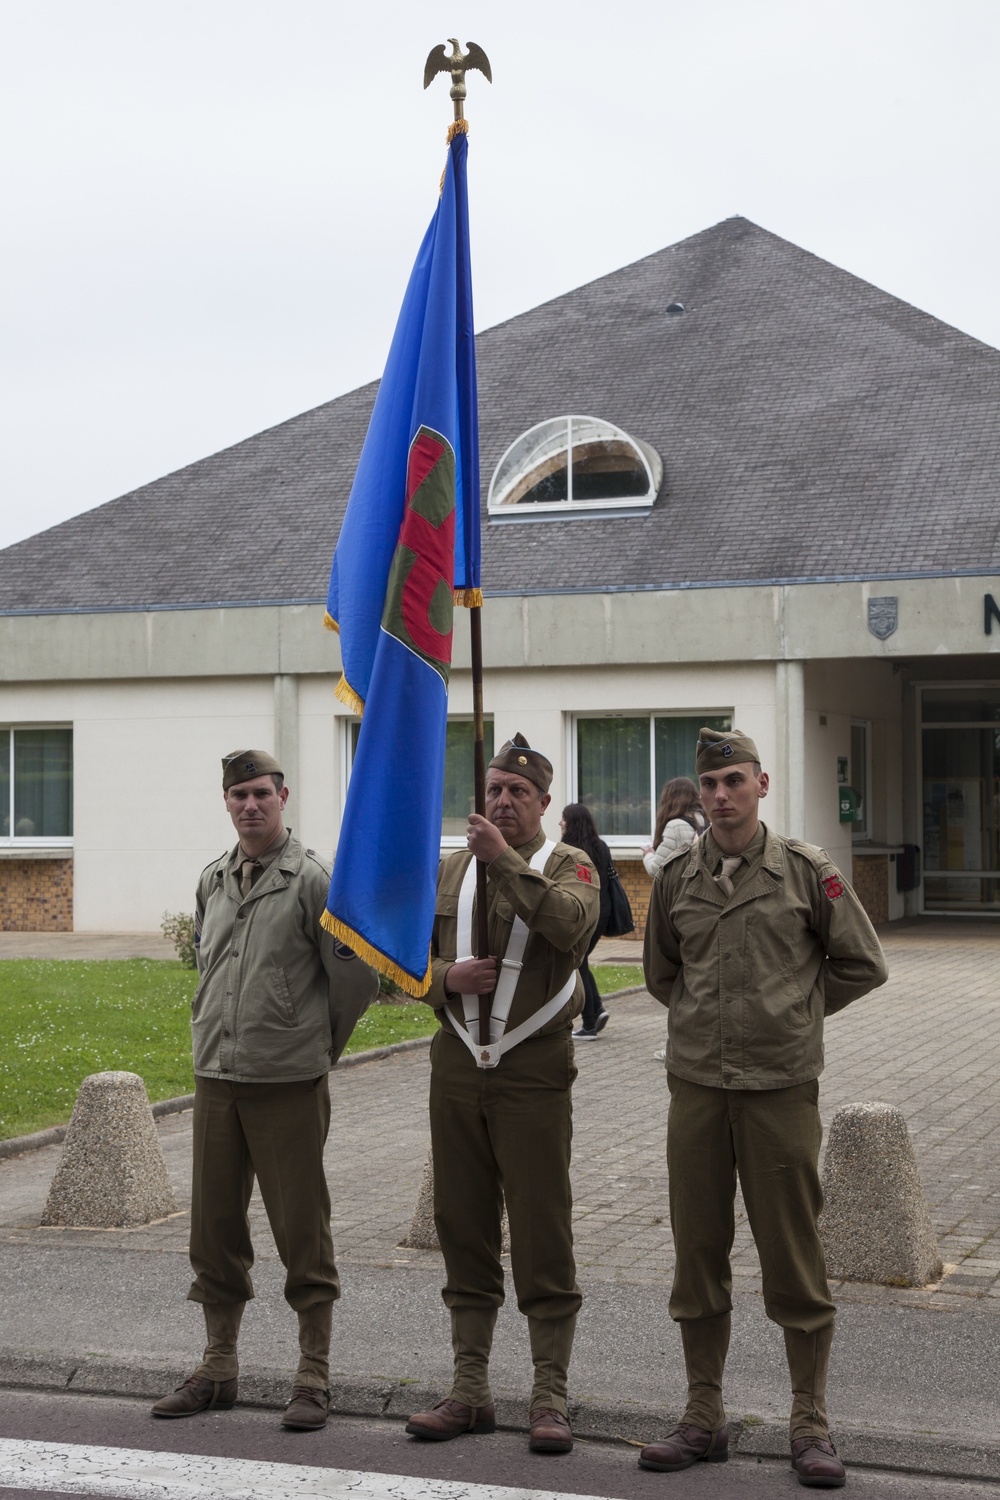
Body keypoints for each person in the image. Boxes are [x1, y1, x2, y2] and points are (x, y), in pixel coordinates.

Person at [640, 728, 888, 1487]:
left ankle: (810, 1424)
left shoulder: (806, 871)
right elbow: (660, 973)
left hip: (780, 1091)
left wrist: (793, 1014)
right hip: (697, 1092)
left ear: (762, 784)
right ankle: (702, 1415)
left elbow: (862, 963)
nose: (720, 795)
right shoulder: (679, 874)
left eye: (734, 781)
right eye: (710, 783)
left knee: (793, 1261)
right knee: (698, 1255)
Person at [151, 750, 378, 1431]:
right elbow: (208, 968)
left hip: (287, 1082)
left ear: (283, 796)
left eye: (261, 793)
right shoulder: (213, 879)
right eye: (238, 795)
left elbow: (355, 981)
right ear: (226, 802)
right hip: (218, 1078)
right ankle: (217, 1367)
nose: (250, 805)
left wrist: (314, 1047)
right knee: (214, 1229)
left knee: (301, 1229)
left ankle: (313, 1375)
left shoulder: (312, 880)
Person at [405, 733, 600, 1455]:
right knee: (463, 1223)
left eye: (519, 793)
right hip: (456, 1065)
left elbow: (572, 926)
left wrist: (506, 862)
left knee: (543, 1228)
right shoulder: (451, 869)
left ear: (545, 803)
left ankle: (549, 1395)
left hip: (533, 1072)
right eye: (493, 790)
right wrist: (439, 981)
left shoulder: (568, 864)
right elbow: (399, 956)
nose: (504, 801)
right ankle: (470, 1388)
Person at [561, 802, 613, 1039]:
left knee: (578, 963)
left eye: (563, 818)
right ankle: (597, 1011)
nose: (560, 822)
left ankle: (590, 1022)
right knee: (581, 961)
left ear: (571, 822)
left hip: (582, 913)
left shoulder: (567, 849)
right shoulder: (600, 846)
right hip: (602, 913)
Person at [641, 776, 706, 878]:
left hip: (682, 891)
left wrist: (648, 855)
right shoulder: (705, 821)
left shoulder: (675, 827)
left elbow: (656, 870)